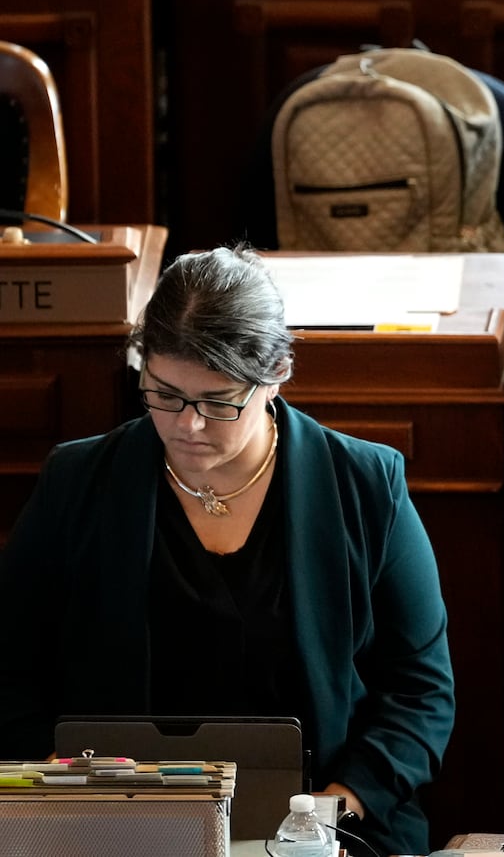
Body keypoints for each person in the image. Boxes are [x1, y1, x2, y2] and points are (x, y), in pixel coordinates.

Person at [0, 247, 455, 856]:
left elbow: (420, 691)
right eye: (164, 394)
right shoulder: (78, 480)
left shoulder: (367, 486)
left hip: (324, 821)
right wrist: (67, 784)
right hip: (116, 820)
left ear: (275, 376)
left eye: (218, 402)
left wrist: (333, 808)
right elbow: (9, 665)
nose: (187, 426)